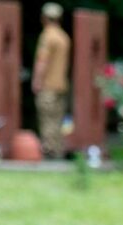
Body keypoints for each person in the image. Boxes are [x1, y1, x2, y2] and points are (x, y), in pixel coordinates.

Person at [32, 3, 71, 160]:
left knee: (47, 119)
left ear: (44, 18)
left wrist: (36, 81)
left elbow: (42, 61)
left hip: (48, 85)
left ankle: (49, 152)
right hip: (61, 85)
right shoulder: (64, 37)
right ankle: (58, 150)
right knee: (57, 120)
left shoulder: (47, 36)